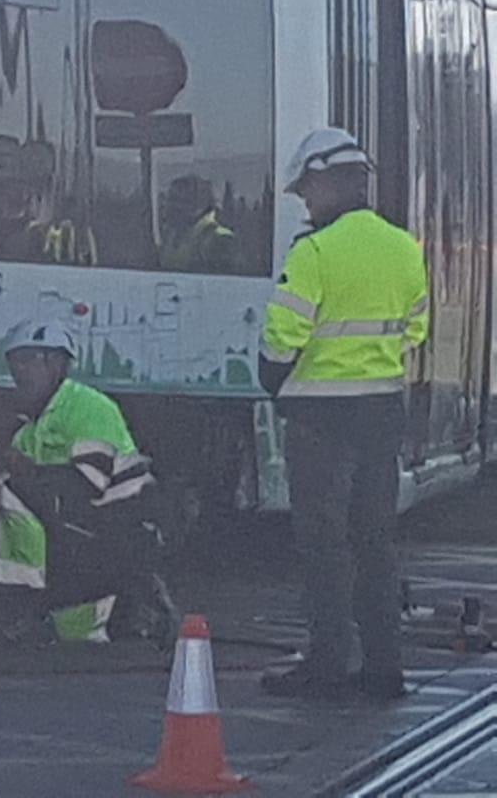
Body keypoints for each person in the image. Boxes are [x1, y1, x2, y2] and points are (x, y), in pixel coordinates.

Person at [258, 127, 427, 701]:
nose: (305, 201)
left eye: (307, 190)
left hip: (321, 421)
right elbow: (417, 329)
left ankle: (328, 663)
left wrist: (273, 380)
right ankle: (385, 669)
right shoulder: (405, 247)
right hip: (382, 412)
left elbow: (283, 336)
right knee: (375, 542)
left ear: (331, 181)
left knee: (324, 545)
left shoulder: (314, 252)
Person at [0, 319, 173, 645]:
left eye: (30, 360)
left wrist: (28, 474)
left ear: (58, 363)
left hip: (125, 524)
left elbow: (89, 482)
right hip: (86, 529)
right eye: (15, 362)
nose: (20, 371)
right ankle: (110, 612)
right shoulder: (30, 429)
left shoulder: (87, 406)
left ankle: (28, 601)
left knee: (13, 493)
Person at [159, 175, 238, 274]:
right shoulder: (171, 235)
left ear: (198, 205)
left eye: (179, 200)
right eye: (169, 199)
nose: (170, 206)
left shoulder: (220, 238)